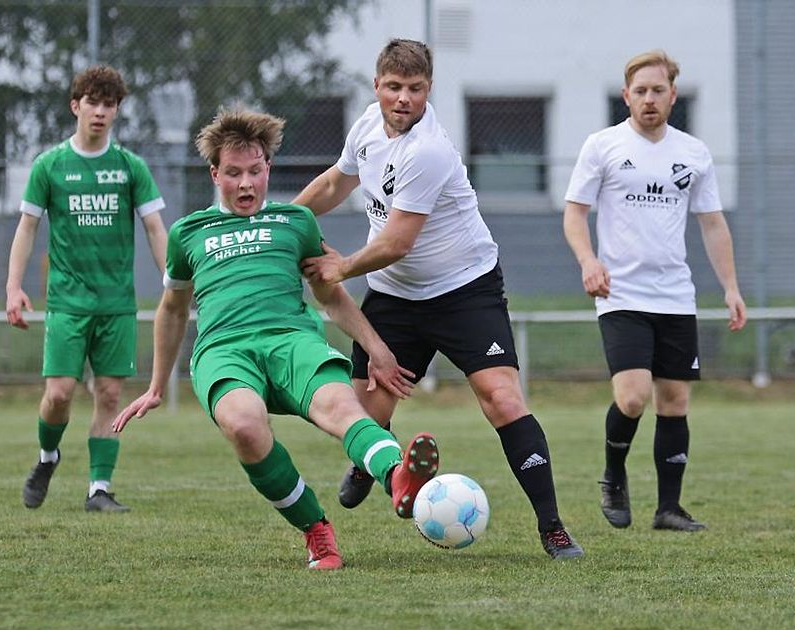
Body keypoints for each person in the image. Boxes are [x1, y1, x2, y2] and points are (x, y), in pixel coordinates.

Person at [111, 107, 440, 571]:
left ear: (268, 168)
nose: (246, 184)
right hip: (224, 350)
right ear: (215, 173)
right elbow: (172, 309)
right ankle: (317, 532)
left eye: (255, 171)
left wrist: (378, 349)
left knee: (343, 408)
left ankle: (398, 477)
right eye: (233, 173)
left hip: (291, 340)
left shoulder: (296, 222)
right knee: (245, 426)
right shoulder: (188, 233)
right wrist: (156, 385)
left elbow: (332, 296)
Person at [293, 38, 583, 560]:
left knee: (502, 398)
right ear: (377, 85)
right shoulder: (365, 125)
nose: (404, 98)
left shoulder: (428, 149)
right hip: (395, 295)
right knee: (363, 412)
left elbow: (397, 241)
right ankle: (373, 462)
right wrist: (284, 223)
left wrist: (341, 266)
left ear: (429, 90)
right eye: (394, 87)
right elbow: (338, 181)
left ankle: (553, 527)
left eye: (416, 89)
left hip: (464, 291)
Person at [562, 50, 747, 532]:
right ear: (626, 96)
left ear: (672, 95)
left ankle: (668, 509)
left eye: (657, 90)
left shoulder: (693, 152)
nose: (648, 99)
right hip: (620, 292)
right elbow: (575, 213)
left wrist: (730, 287)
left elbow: (712, 224)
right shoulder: (602, 146)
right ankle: (613, 474)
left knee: (674, 401)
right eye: (640, 91)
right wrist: (588, 261)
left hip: (675, 296)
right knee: (632, 398)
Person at [6, 64, 169, 513]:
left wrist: (174, 281)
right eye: (92, 103)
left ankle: (99, 489)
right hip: (66, 302)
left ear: (117, 111)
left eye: (109, 104)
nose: (100, 112)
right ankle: (47, 457)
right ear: (76, 106)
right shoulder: (50, 165)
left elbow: (156, 228)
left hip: (116, 303)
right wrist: (14, 287)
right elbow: (27, 228)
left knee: (111, 395)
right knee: (59, 393)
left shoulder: (129, 168)